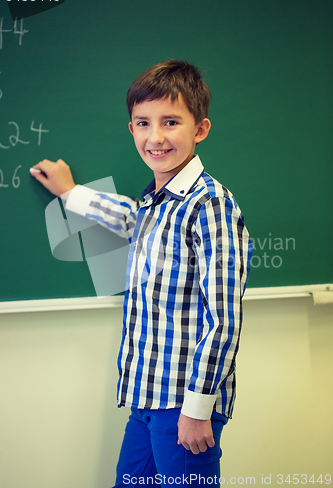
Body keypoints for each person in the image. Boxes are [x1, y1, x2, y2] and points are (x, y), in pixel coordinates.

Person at [31, 60, 252, 487]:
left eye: (171, 122)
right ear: (130, 128)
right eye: (143, 123)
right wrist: (71, 192)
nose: (155, 137)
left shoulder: (210, 205)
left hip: (183, 403)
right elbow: (127, 216)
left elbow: (224, 320)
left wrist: (198, 408)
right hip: (145, 395)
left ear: (200, 129)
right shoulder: (156, 202)